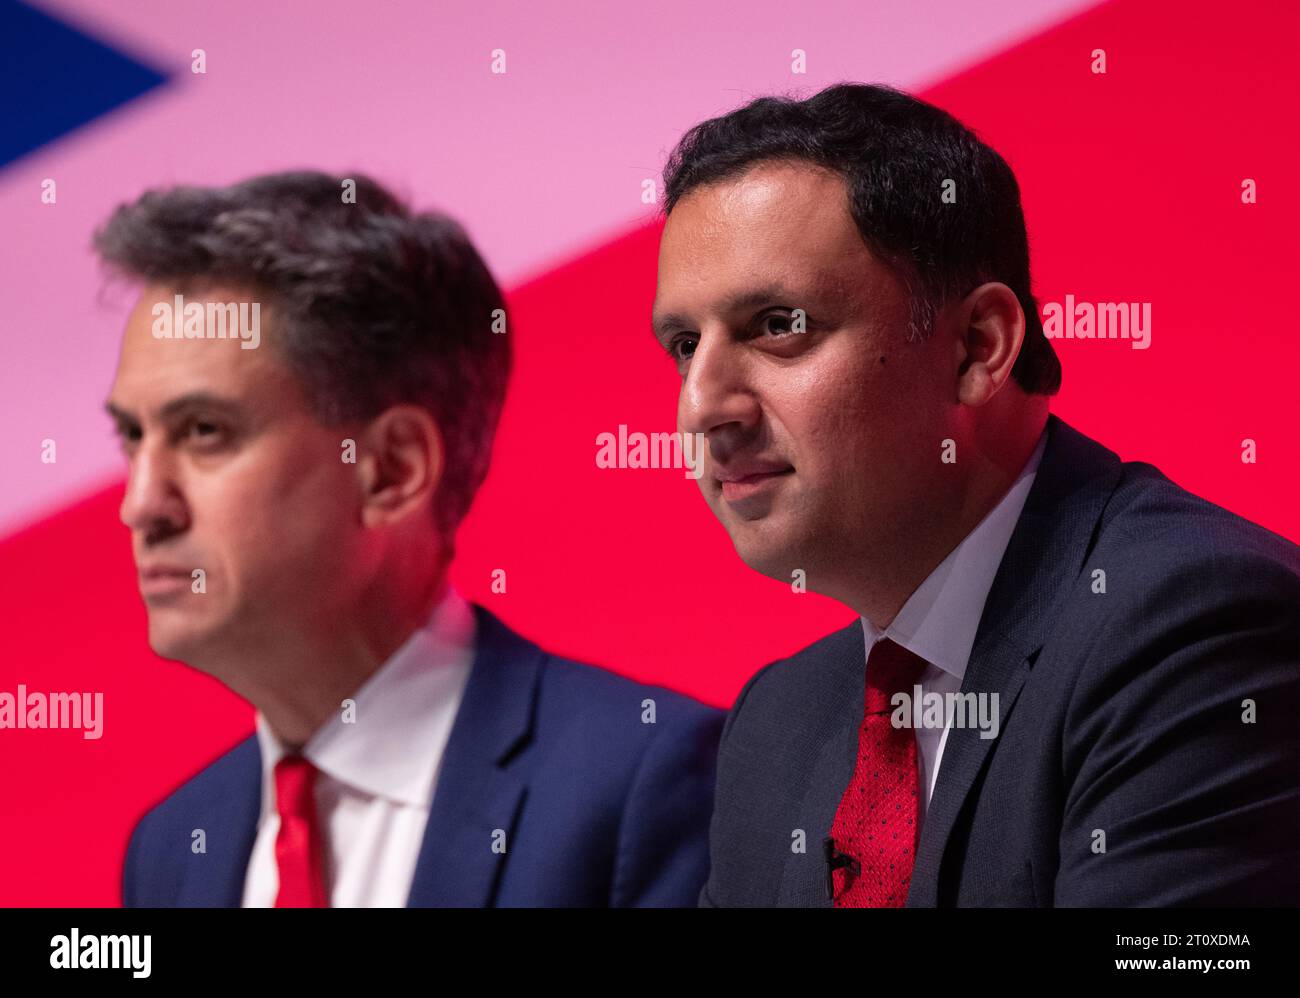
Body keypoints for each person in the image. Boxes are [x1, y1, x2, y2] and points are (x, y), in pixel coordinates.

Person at [651, 83, 1300, 906]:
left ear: (977, 346)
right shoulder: (775, 725)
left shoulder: (1195, 628)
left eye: (779, 324)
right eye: (682, 344)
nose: (702, 406)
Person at [103, 171, 722, 907]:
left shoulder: (643, 785)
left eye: (204, 432)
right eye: (133, 438)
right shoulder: (171, 850)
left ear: (391, 469)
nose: (141, 506)